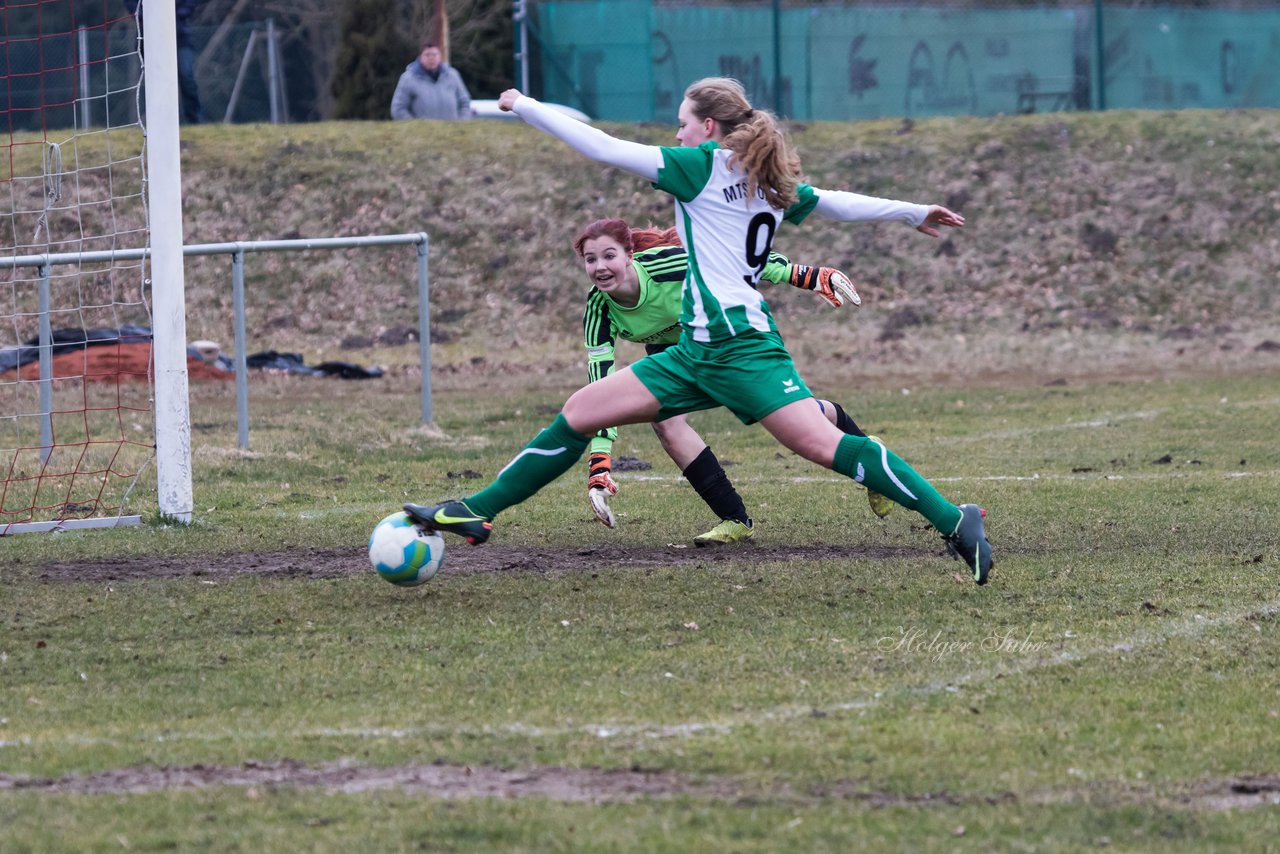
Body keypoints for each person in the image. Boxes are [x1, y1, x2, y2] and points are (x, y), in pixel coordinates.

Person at [405, 77, 993, 584]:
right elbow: (835, 202)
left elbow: (603, 148)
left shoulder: (701, 168)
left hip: (742, 351)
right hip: (696, 351)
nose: (677, 133)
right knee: (582, 411)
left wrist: (525, 104)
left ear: (708, 126)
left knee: (824, 446)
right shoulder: (765, 177)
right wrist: (913, 212)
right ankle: (474, 511)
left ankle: (952, 518)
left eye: (682, 123)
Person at [576, 217, 893, 545]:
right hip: (676, 346)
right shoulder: (599, 307)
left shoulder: (669, 268)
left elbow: (735, 261)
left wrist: (807, 275)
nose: (600, 267)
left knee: (780, 413)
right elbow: (600, 388)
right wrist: (599, 460)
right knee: (666, 423)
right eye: (590, 259)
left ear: (629, 256)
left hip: (727, 326)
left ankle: (867, 451)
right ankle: (736, 520)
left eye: (608, 256)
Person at [125, 0, 206, 124]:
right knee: (156, 83)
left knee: (186, 78)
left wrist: (175, 14)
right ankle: (160, 122)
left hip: (180, 39)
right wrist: (147, 15)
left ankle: (196, 120)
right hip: (150, 39)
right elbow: (132, 5)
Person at [390, 42, 472, 121]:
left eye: (434, 55)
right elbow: (398, 108)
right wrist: (414, 126)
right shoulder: (408, 78)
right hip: (421, 134)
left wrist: (462, 123)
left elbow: (464, 102)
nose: (431, 58)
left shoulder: (453, 75)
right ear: (420, 57)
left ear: (440, 57)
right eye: (427, 55)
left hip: (452, 133)